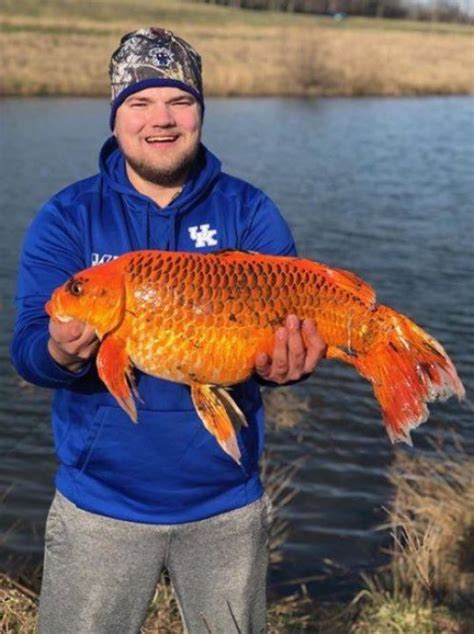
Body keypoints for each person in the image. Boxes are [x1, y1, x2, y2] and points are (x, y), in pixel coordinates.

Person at [11, 28, 326, 634]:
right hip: (98, 505)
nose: (161, 119)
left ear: (201, 111)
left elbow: (284, 340)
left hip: (226, 501)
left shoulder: (249, 211)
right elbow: (27, 348)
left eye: (180, 101)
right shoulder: (67, 216)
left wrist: (292, 365)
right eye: (140, 103)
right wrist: (57, 351)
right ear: (114, 117)